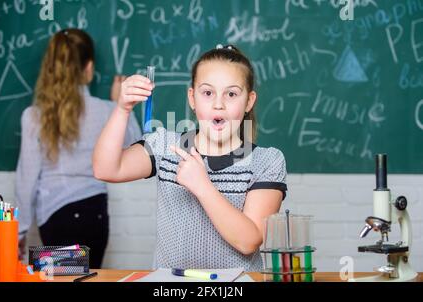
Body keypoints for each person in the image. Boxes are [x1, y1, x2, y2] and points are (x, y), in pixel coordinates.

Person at [93, 44, 287, 271]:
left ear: (249, 101)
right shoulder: (165, 146)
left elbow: (248, 241)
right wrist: (122, 109)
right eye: (207, 93)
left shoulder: (267, 161)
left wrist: (202, 186)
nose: (218, 104)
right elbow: (105, 169)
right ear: (192, 99)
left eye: (232, 94)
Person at [15, 28, 141, 268]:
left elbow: (26, 179)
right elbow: (135, 147)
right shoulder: (107, 110)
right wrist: (122, 108)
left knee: (62, 279)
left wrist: (18, 232)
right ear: (89, 68)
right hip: (94, 215)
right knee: (88, 278)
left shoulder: (33, 116)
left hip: (54, 218)